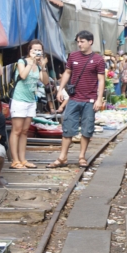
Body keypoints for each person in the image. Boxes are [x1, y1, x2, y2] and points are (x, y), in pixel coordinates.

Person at [48, 31, 104, 169]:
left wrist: (99, 99)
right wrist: (60, 89)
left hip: (90, 99)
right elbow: (67, 72)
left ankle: (82, 156)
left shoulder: (98, 59)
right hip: (74, 98)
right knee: (67, 128)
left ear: (90, 42)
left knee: (87, 129)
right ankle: (62, 157)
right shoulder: (73, 56)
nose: (79, 44)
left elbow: (101, 79)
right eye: (78, 41)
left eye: (82, 41)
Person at [8, 40, 49, 169]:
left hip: (31, 100)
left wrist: (42, 67)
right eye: (34, 50)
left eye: (39, 50)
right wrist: (30, 61)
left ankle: (23, 159)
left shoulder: (38, 66)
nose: (37, 52)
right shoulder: (22, 62)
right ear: (29, 51)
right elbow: (23, 75)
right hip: (19, 99)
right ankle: (15, 160)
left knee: (25, 131)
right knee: (17, 130)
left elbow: (45, 81)